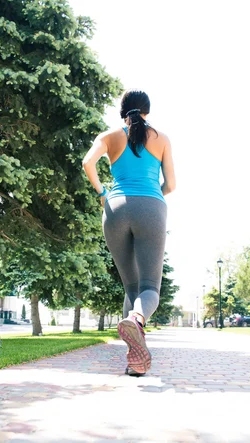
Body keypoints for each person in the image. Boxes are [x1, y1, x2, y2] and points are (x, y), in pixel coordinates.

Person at [82, 89, 176, 375]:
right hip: (151, 207)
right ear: (146, 111)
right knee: (149, 289)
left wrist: (102, 193)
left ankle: (136, 360)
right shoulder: (161, 138)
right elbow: (171, 184)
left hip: (115, 209)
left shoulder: (109, 136)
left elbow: (88, 163)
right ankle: (136, 319)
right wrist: (151, 200)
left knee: (131, 287)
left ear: (122, 112)